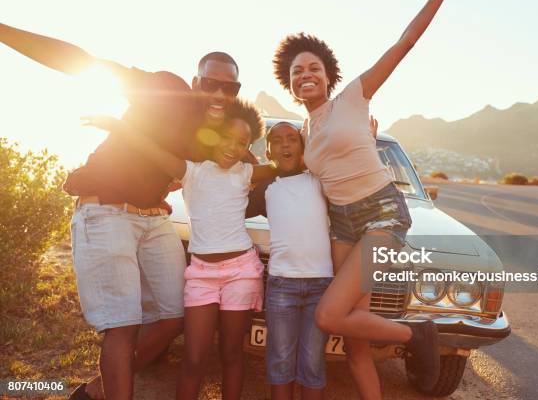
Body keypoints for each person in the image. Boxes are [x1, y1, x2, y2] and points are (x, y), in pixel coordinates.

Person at [0, 23, 247, 400]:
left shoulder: (216, 135)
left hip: (154, 219)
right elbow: (83, 62)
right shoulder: (166, 89)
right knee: (123, 326)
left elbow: (256, 167)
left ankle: (97, 392)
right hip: (105, 211)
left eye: (229, 88)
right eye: (210, 84)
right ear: (194, 83)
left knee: (173, 316)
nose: (218, 93)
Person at [271, 0, 448, 398]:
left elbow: (404, 43)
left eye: (313, 67)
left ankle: (416, 333)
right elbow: (289, 169)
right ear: (290, 81)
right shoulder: (303, 132)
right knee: (356, 342)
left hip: (382, 214)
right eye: (297, 71)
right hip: (342, 225)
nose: (305, 74)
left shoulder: (353, 96)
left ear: (327, 74)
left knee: (330, 315)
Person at [83, 99, 276, 400]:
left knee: (232, 355)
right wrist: (118, 125)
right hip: (201, 275)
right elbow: (149, 148)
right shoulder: (191, 171)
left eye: (243, 142)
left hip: (241, 272)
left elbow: (285, 165)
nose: (233, 146)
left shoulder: (246, 173)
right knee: (194, 358)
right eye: (228, 137)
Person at [246, 122, 333, 400]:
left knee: (313, 363)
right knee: (280, 361)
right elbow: (231, 203)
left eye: (292, 139)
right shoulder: (266, 188)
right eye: (277, 140)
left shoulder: (319, 181)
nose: (285, 144)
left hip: (321, 285)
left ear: (303, 146)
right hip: (282, 285)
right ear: (268, 150)